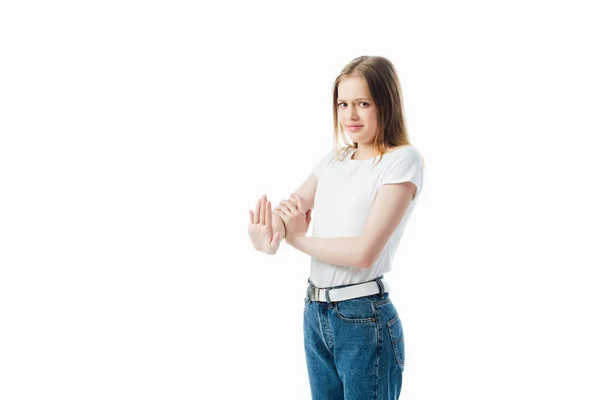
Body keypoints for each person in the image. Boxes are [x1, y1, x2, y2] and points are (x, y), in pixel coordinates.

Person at [248, 55, 424, 400]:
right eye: (343, 104)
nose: (350, 115)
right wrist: (270, 235)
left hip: (363, 319)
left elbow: (363, 252)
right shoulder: (334, 160)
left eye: (363, 103)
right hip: (316, 313)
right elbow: (291, 209)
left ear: (385, 104)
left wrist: (296, 239)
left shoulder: (402, 161)